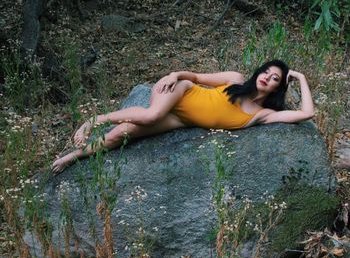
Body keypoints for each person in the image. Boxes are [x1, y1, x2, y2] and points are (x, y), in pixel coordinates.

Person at [52, 60, 314, 173]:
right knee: (151, 114)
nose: (267, 77)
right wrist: (175, 75)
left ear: (277, 87)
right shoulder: (234, 79)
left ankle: (74, 156)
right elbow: (197, 78)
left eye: (275, 78)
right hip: (179, 92)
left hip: (181, 120)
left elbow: (307, 113)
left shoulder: (262, 115)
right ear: (258, 73)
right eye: (266, 72)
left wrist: (300, 78)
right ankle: (94, 120)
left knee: (122, 134)